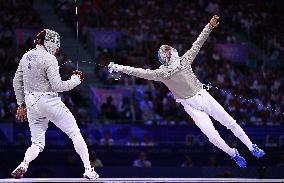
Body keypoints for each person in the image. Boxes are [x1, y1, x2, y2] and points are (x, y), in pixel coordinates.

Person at [108, 15, 265, 168]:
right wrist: (119, 67)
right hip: (191, 106)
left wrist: (209, 26)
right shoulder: (161, 73)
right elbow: (139, 72)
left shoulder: (185, 60)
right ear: (165, 57)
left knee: (229, 122)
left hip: (203, 96)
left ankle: (252, 147)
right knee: (213, 137)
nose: (171, 51)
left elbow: (198, 43)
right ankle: (233, 153)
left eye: (169, 49)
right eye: (167, 51)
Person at [12, 29, 99, 179]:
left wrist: (21, 104)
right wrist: (75, 80)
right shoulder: (49, 58)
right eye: (56, 44)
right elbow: (58, 86)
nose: (58, 48)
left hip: (31, 103)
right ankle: (89, 170)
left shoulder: (26, 56)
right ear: (50, 42)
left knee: (37, 144)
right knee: (74, 132)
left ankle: (24, 163)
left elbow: (16, 82)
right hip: (47, 101)